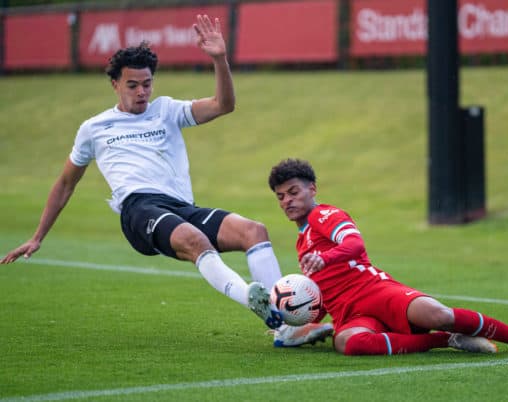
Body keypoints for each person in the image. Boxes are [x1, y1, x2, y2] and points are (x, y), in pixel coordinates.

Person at [0, 15, 332, 347]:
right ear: (115, 84)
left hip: (181, 207)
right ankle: (259, 304)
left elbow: (224, 105)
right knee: (194, 239)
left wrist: (219, 58)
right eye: (132, 85)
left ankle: (284, 331)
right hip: (138, 209)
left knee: (254, 230)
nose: (142, 92)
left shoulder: (167, 110)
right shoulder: (94, 128)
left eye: (147, 83)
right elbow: (65, 184)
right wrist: (38, 236)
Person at [268, 158, 508, 355]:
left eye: (293, 192)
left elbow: (354, 244)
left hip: (375, 291)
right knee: (348, 344)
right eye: (281, 196)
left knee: (439, 315)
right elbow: (321, 293)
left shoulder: (325, 214)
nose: (287, 200)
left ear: (312, 188)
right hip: (349, 314)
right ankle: (446, 341)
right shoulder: (301, 242)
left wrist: (328, 258)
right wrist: (302, 320)